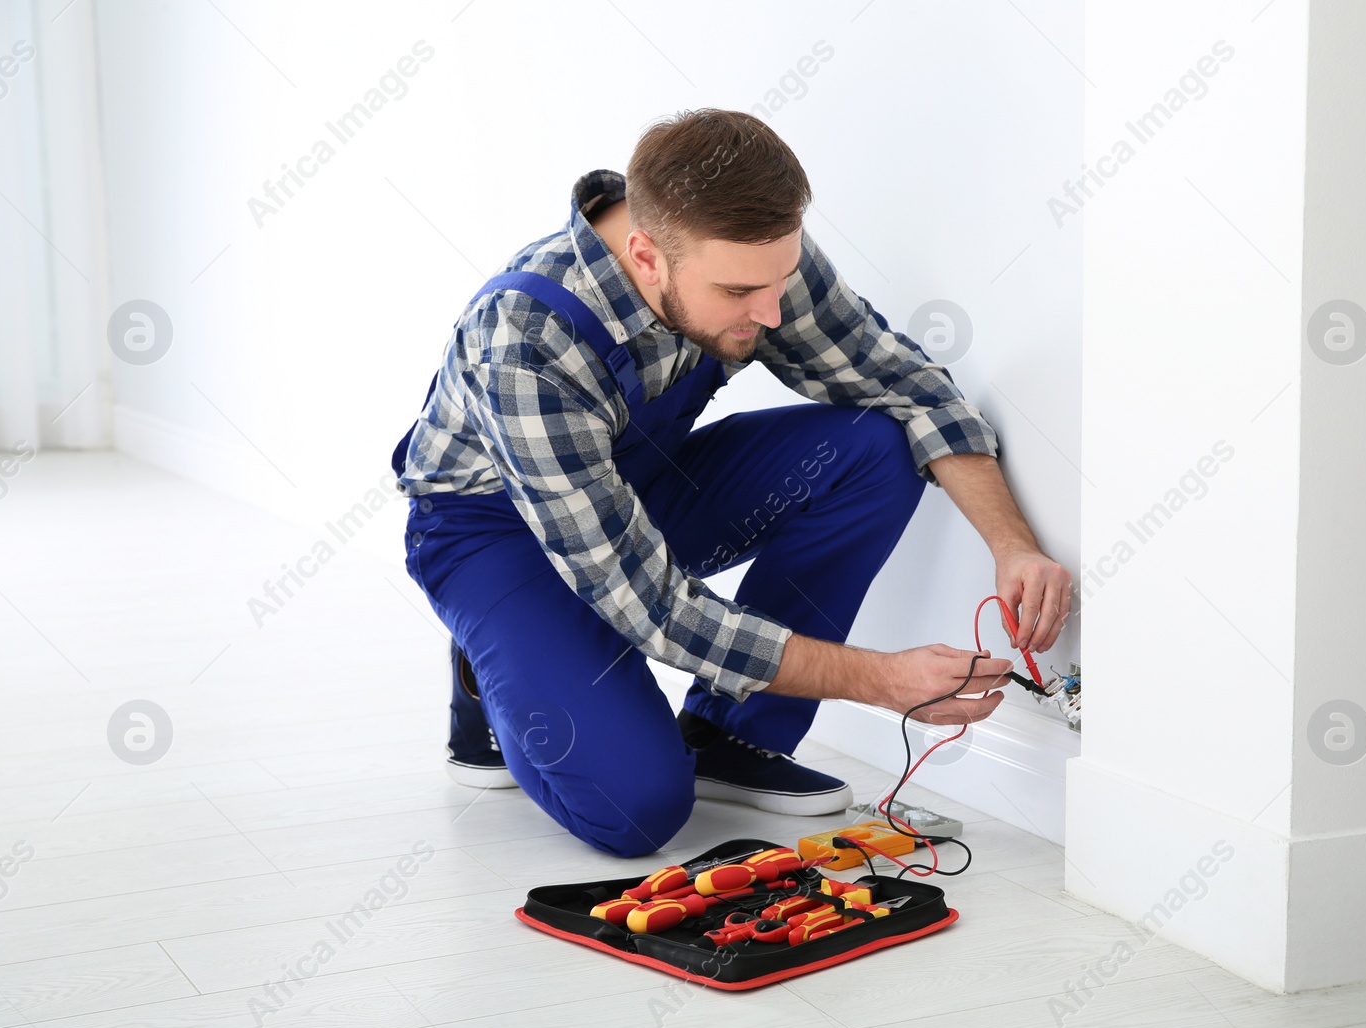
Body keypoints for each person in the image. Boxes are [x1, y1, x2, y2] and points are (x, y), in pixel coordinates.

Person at [391, 109, 1070, 858]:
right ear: (647, 257)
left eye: (781, 279)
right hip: (494, 534)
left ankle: (730, 733)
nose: (774, 311)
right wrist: (882, 680)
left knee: (876, 444)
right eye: (742, 291)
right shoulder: (523, 339)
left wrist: (1014, 545)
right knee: (637, 809)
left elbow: (907, 386)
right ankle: (496, 669)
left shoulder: (752, 255)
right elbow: (649, 605)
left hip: (629, 493)